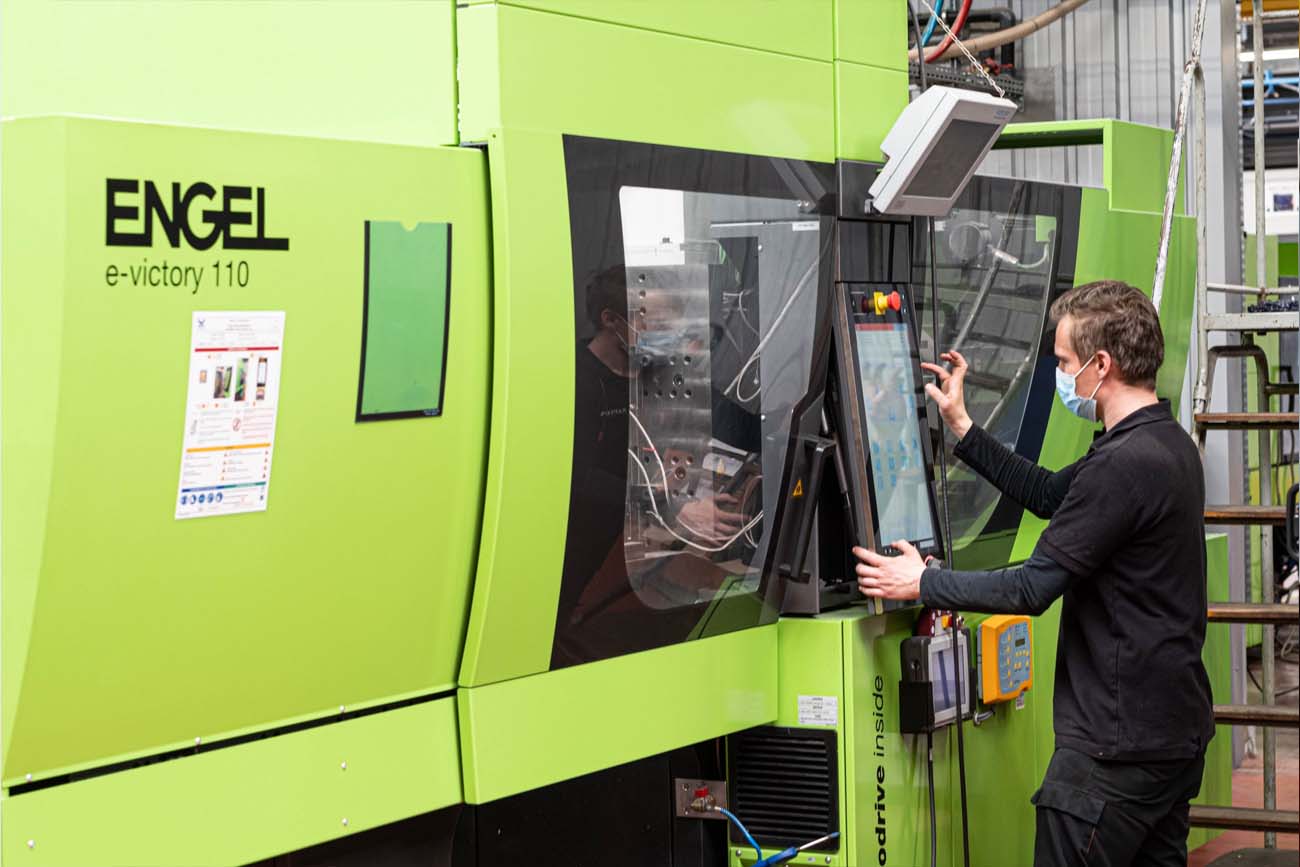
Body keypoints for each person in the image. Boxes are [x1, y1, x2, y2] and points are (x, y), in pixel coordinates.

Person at [852, 281, 1214, 867]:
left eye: (1065, 363)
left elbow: (1031, 587)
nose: (1062, 375)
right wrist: (964, 427)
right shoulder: (1165, 443)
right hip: (1172, 737)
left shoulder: (1122, 465)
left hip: (1112, 753)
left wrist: (922, 583)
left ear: (1102, 365)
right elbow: (1048, 494)